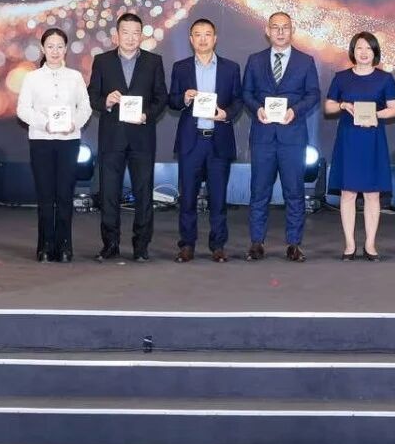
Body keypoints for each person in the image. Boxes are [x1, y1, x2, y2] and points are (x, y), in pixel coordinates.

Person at [87, 13, 168, 262]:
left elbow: (161, 98)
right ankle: (110, 244)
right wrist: (106, 101)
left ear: (141, 35)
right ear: (117, 35)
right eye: (126, 32)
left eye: (136, 33)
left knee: (143, 193)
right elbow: (92, 96)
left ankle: (141, 246)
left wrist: (146, 115)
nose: (131, 38)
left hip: (142, 137)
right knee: (109, 193)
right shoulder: (102, 61)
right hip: (112, 137)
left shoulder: (154, 61)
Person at [241, 11, 321, 262]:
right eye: (275, 27)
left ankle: (294, 244)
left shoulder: (305, 61)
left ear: (292, 30)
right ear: (267, 31)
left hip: (292, 136)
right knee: (259, 192)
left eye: (285, 27)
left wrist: (294, 111)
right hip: (263, 136)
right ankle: (256, 242)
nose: (280, 31)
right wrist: (257, 109)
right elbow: (246, 93)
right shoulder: (255, 60)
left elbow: (313, 94)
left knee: (294, 192)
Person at [167, 18, 243, 263]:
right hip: (192, 141)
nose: (202, 39)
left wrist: (226, 114)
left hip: (218, 141)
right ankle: (187, 245)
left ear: (215, 38)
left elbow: (238, 100)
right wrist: (184, 98)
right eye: (197, 34)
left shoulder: (231, 68)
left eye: (207, 34)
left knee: (218, 198)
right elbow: (172, 100)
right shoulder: (181, 68)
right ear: (191, 39)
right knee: (187, 197)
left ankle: (218, 245)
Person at [16, 27, 93, 263]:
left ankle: (65, 245)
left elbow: (85, 107)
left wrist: (74, 123)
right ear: (43, 48)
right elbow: (23, 109)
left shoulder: (75, 77)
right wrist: (45, 123)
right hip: (41, 140)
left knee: (65, 195)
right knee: (45, 195)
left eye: (59, 46)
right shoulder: (32, 78)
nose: (55, 51)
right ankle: (45, 246)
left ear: (66, 49)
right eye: (50, 46)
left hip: (69, 142)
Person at [324, 32, 395, 261]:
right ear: (352, 51)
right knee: (347, 193)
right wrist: (342, 105)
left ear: (375, 52)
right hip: (349, 139)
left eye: (368, 48)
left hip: (373, 140)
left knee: (372, 194)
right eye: (359, 48)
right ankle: (349, 244)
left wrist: (375, 114)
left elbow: (394, 109)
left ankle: (370, 244)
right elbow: (328, 106)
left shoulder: (385, 79)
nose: (364, 52)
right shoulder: (341, 78)